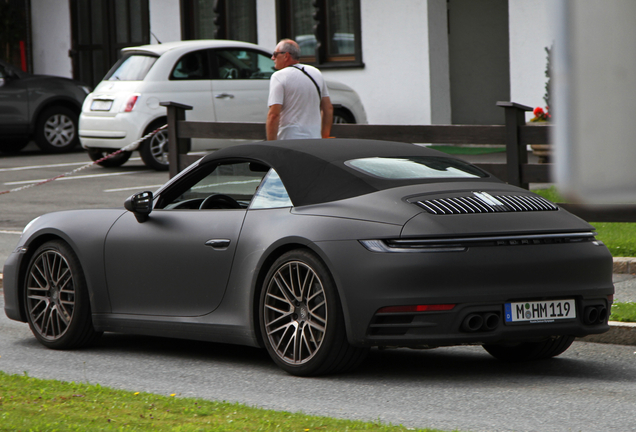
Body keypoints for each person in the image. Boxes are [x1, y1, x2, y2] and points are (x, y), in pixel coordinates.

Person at [266, 39, 333, 140]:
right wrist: (324, 136)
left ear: (286, 56)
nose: (272, 58)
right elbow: (328, 109)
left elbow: (273, 115)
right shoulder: (315, 73)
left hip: (289, 139)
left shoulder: (279, 76)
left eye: (275, 54)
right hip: (314, 138)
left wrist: (271, 145)